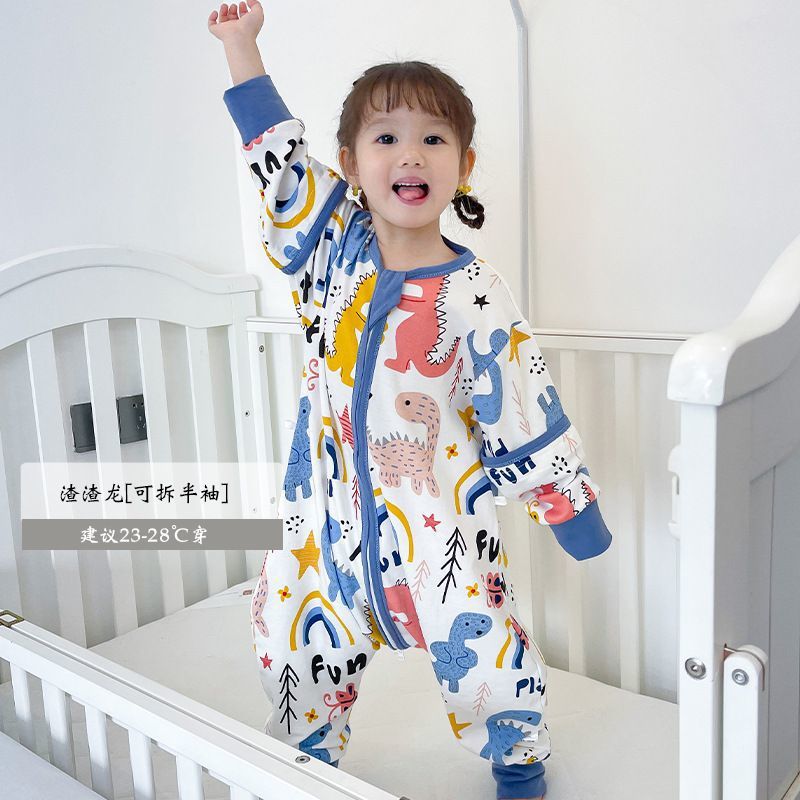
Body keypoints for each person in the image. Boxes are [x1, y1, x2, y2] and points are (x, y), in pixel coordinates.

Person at [209, 3, 613, 798]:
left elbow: (519, 401)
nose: (409, 153)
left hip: (438, 526)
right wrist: (242, 48)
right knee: (292, 636)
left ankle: (517, 756)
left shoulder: (474, 292)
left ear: (463, 164)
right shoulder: (331, 254)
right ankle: (306, 755)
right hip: (321, 523)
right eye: (386, 136)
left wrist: (572, 510)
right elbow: (279, 167)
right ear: (350, 163)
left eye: (433, 138)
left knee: (485, 648)